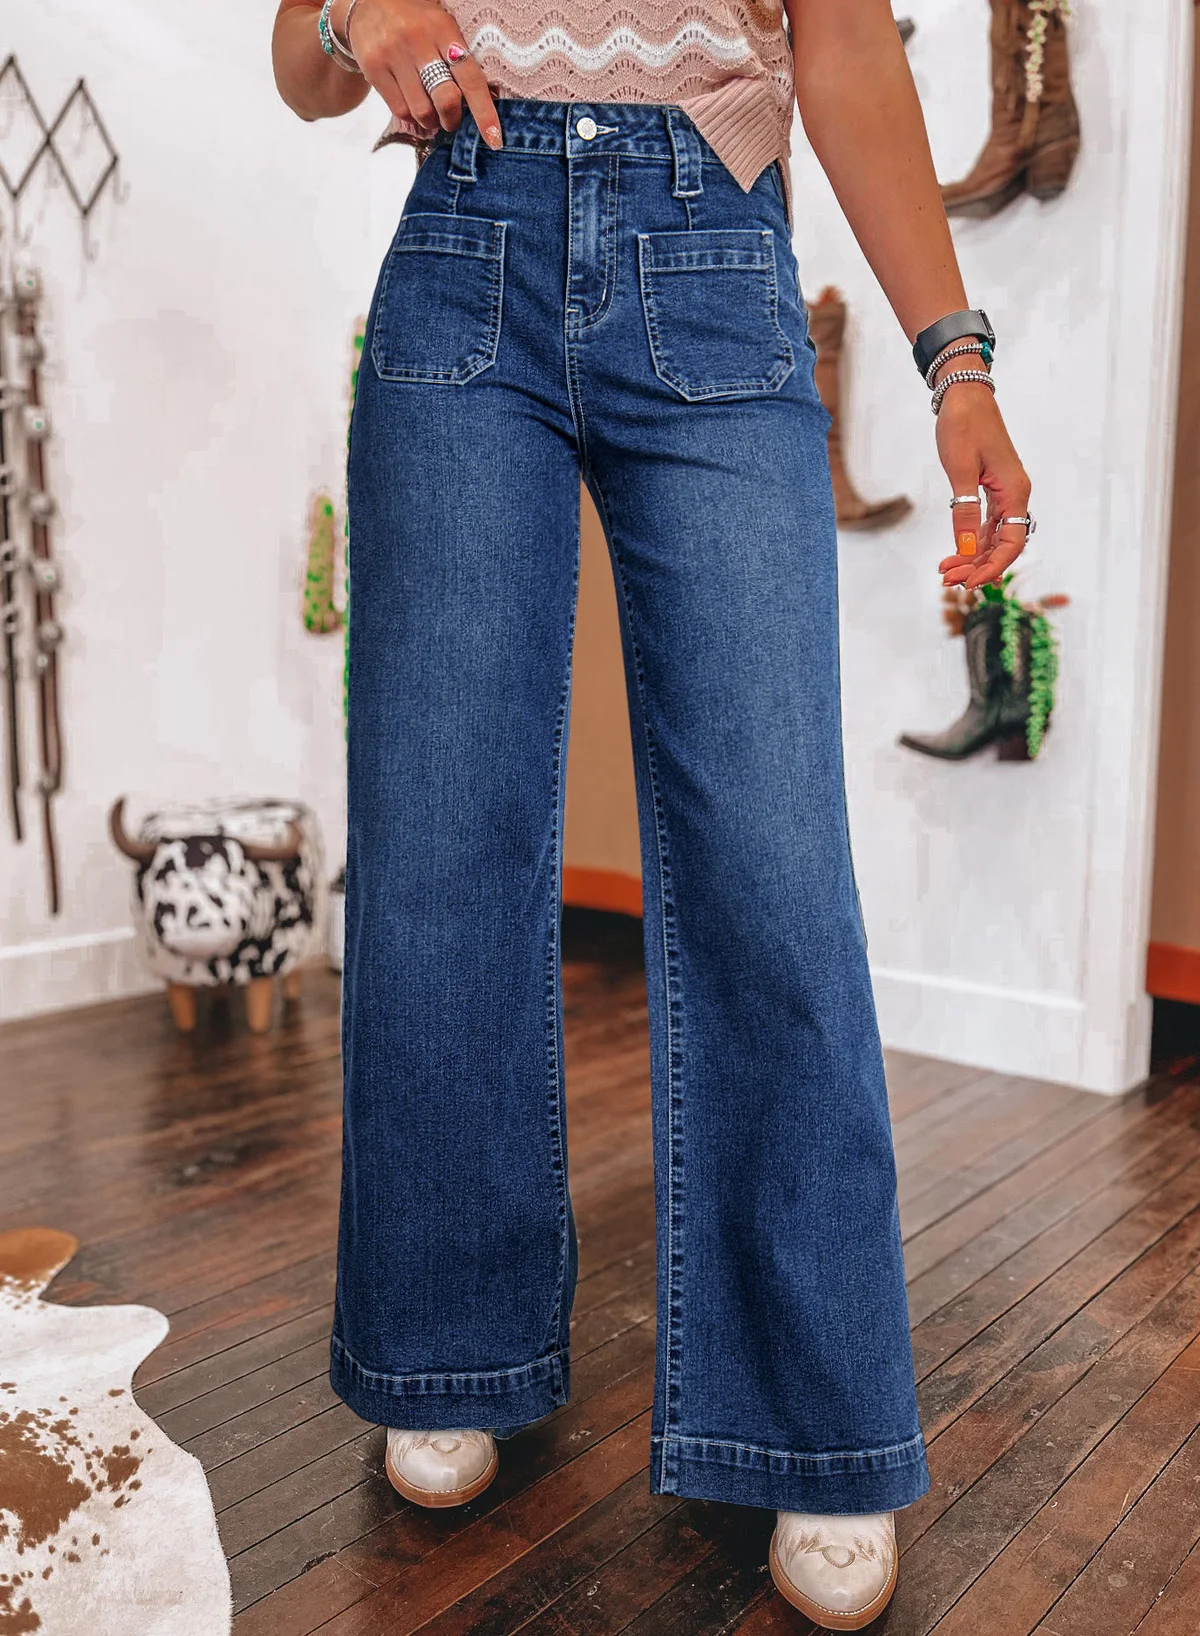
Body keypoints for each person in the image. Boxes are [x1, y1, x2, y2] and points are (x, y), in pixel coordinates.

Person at [272, 0, 1031, 1624]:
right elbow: (299, 66)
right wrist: (349, 11)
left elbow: (845, 48)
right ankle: (447, 1343)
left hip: (714, 246)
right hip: (462, 244)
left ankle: (812, 1417)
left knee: (773, 861)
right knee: (441, 834)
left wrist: (954, 359)